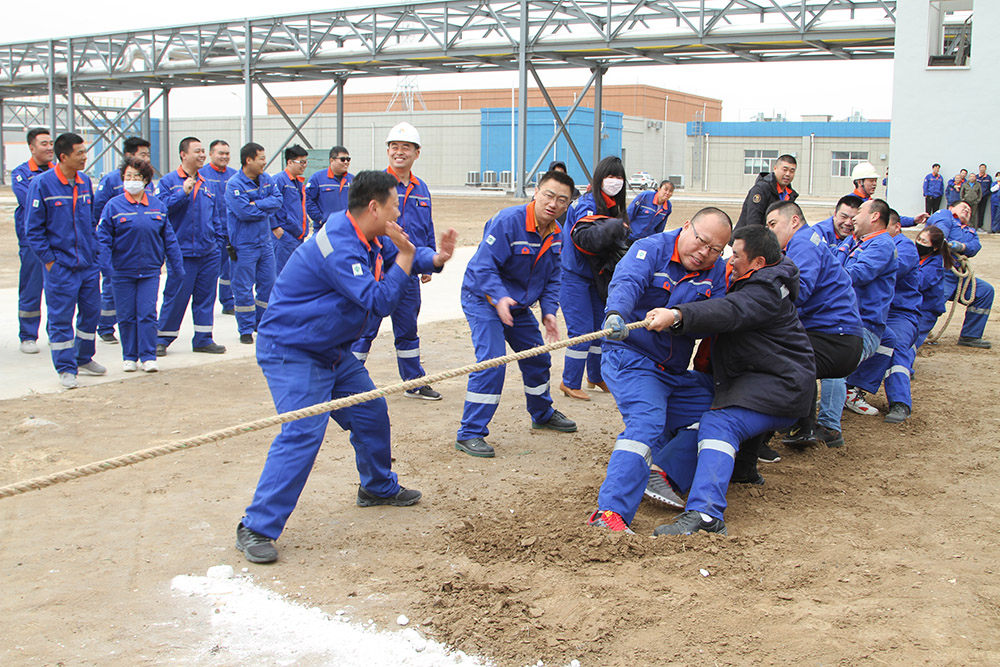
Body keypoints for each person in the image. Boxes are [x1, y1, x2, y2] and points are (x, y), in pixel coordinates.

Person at [233, 170, 458, 564]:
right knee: (303, 430)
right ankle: (255, 527)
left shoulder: (365, 233)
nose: (398, 216)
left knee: (371, 411)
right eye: (393, 208)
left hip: (331, 349)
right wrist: (407, 257)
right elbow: (379, 300)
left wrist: (432, 258)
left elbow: (399, 251)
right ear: (374, 208)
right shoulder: (339, 243)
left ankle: (376, 487)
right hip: (293, 350)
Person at [649, 226, 815, 537]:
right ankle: (662, 470)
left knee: (720, 423)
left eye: (735, 255)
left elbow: (728, 310)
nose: (729, 260)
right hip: (748, 381)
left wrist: (677, 315)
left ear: (757, 262)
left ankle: (706, 515)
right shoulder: (760, 280)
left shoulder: (763, 292)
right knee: (670, 388)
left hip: (781, 387)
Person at [586, 208, 730, 532]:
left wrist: (677, 315)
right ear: (687, 227)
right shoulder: (651, 249)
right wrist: (616, 314)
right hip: (632, 358)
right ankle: (610, 514)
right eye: (702, 242)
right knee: (647, 422)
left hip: (673, 373)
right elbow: (626, 282)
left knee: (723, 407)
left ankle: (663, 469)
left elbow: (715, 312)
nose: (704, 253)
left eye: (715, 250)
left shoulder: (717, 272)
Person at [454, 170, 578, 458]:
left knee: (538, 357)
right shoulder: (508, 221)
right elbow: (484, 266)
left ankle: (542, 413)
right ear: (536, 192)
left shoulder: (557, 234)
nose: (554, 204)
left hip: (518, 306)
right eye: (549, 195)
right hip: (484, 299)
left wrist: (549, 312)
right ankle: (470, 432)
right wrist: (498, 298)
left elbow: (553, 277)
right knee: (493, 361)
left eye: (562, 200)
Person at [755, 201, 863, 457]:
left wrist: (756, 299)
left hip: (835, 337)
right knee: (798, 358)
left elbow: (799, 291)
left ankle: (757, 440)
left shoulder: (802, 242)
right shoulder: (809, 240)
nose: (769, 231)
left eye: (773, 224)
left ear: (793, 221)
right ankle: (802, 427)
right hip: (838, 335)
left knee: (770, 361)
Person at [351, 122, 443, 400]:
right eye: (394, 147)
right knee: (365, 328)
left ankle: (413, 382)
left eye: (406, 148)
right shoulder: (374, 185)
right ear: (388, 151)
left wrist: (428, 261)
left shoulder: (421, 187)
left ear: (417, 153)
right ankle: (349, 381)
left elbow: (426, 226)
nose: (399, 152)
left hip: (408, 270)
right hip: (378, 269)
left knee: (408, 329)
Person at [24, 132, 106, 389]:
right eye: (80, 153)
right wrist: (50, 262)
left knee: (91, 313)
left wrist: (94, 253)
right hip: (61, 266)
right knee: (61, 318)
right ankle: (65, 367)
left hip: (87, 264)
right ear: (63, 157)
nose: (85, 157)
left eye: (85, 152)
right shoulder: (43, 184)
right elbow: (33, 230)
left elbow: (90, 221)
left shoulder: (84, 182)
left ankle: (83, 358)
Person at [818, 198, 898, 447]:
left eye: (859, 212)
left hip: (862, 327)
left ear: (874, 216)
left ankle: (829, 427)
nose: (853, 218)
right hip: (845, 322)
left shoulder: (881, 245)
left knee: (834, 363)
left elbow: (853, 275)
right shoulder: (857, 242)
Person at [97, 157, 185, 372]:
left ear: (146, 180)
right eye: (128, 176)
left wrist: (177, 266)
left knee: (147, 313)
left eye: (136, 176)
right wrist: (106, 267)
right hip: (122, 271)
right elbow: (103, 238)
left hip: (149, 271)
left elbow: (169, 239)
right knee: (126, 315)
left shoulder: (157, 206)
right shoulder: (114, 206)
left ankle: (148, 355)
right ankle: (129, 356)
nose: (132, 180)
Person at [559, 156, 629, 401]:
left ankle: (596, 376)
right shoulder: (586, 204)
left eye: (620, 177)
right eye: (611, 176)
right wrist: (615, 228)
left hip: (597, 278)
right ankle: (569, 382)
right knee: (581, 331)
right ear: (599, 178)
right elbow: (587, 238)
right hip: (573, 277)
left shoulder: (613, 208)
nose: (615, 181)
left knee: (602, 328)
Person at [845, 209, 922, 424]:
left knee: (896, 347)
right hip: (879, 310)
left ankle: (900, 402)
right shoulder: (867, 243)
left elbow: (884, 270)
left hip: (901, 313)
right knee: (879, 339)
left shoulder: (899, 247)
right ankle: (851, 389)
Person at [153, 137, 227, 357]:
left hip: (208, 251)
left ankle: (203, 339)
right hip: (182, 252)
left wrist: (217, 241)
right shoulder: (168, 182)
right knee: (175, 297)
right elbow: (161, 210)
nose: (202, 155)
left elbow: (214, 216)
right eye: (198, 151)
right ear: (183, 154)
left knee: (206, 297)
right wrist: (182, 193)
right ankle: (162, 339)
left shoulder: (206, 183)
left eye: (203, 151)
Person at [92, 136, 153, 344]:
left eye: (148, 155)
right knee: (111, 286)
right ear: (129, 155)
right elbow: (98, 210)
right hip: (120, 245)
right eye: (142, 154)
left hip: (142, 247)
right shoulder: (112, 180)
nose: (146, 158)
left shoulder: (147, 181)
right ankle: (106, 326)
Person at [225, 142, 282, 344]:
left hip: (264, 243)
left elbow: (278, 201)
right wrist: (263, 208)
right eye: (261, 158)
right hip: (244, 245)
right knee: (243, 287)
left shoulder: (266, 179)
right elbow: (244, 213)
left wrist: (256, 204)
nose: (264, 162)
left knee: (268, 284)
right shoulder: (234, 185)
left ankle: (262, 323)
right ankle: (246, 328)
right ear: (248, 160)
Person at [926, 201, 994, 348]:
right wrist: (944, 240)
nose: (967, 210)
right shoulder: (945, 215)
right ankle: (915, 335)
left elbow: (975, 247)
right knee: (932, 305)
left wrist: (961, 246)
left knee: (985, 291)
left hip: (958, 275)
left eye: (970, 210)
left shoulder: (970, 231)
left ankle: (970, 335)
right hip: (940, 271)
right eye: (964, 207)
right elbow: (939, 229)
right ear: (951, 208)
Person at [11, 127, 55, 355]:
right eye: (44, 144)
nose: (49, 148)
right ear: (32, 147)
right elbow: (29, 201)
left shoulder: (59, 171)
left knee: (57, 288)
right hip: (32, 240)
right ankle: (28, 335)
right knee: (31, 286)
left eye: (51, 143)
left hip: (56, 239)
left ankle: (55, 331)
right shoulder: (21, 174)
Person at [199, 140, 238, 315]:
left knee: (229, 269)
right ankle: (206, 304)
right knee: (210, 270)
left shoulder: (235, 176)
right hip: (211, 232)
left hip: (232, 231)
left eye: (227, 153)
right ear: (211, 154)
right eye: (220, 153)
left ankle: (228, 302)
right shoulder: (201, 175)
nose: (224, 156)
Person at [733, 154, 797, 233]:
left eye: (792, 171)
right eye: (784, 169)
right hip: (747, 240)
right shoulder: (761, 190)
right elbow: (753, 222)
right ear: (775, 168)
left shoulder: (790, 195)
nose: (788, 174)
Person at [913, 225, 953, 349]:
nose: (919, 243)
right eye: (918, 239)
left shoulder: (935, 265)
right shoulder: (917, 257)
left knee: (910, 344)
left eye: (924, 241)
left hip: (926, 310)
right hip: (915, 307)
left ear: (934, 247)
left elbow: (919, 282)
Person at [271, 144, 310, 274]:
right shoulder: (280, 180)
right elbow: (269, 206)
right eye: (302, 162)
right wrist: (276, 228)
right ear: (289, 162)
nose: (304, 165)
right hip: (284, 237)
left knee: (293, 274)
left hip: (297, 236)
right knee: (280, 274)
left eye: (306, 162)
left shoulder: (297, 183)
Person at [305, 145, 353, 231]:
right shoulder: (317, 179)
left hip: (347, 228)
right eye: (342, 159)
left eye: (348, 159)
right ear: (331, 160)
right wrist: (320, 218)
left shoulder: (352, 180)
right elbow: (308, 200)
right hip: (324, 229)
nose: (346, 162)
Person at [974, 164, 992, 230]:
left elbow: (990, 188)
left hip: (984, 197)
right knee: (973, 211)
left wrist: (986, 194)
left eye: (983, 168)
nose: (982, 169)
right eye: (981, 168)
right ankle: (972, 226)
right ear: (979, 169)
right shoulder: (976, 177)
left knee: (981, 212)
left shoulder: (988, 178)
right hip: (975, 197)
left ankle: (979, 226)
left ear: (985, 169)